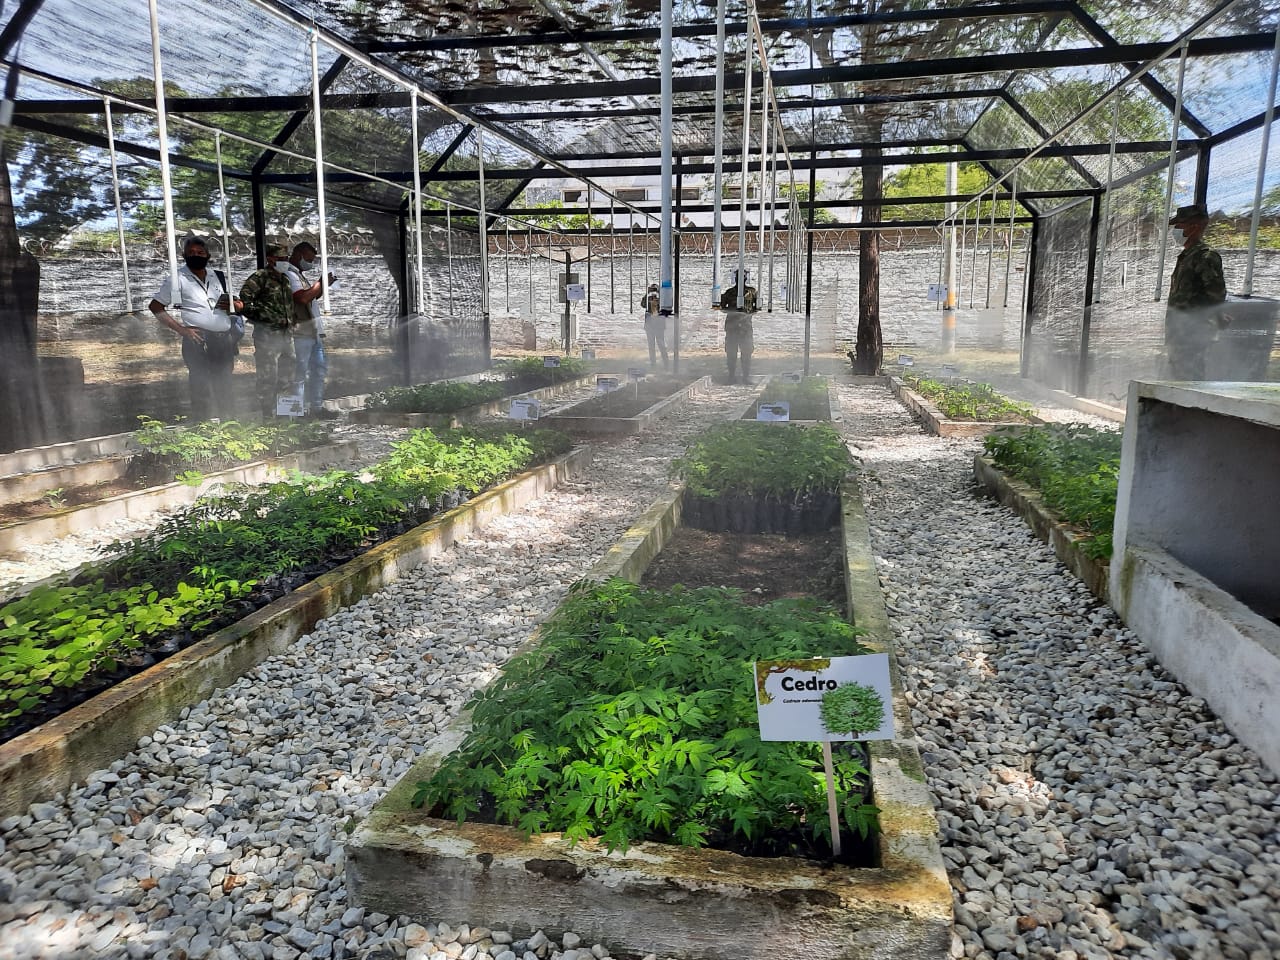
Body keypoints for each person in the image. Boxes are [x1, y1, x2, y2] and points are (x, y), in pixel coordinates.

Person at [148, 236, 242, 420]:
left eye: (200, 252)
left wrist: (237, 306)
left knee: (225, 384)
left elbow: (236, 302)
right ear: (184, 255)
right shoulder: (178, 279)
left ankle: (230, 427)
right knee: (201, 386)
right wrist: (182, 330)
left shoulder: (218, 277)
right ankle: (203, 429)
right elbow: (155, 306)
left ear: (208, 255)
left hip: (223, 338)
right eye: (191, 253)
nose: (196, 255)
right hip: (197, 340)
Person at [1165, 203, 1227, 381]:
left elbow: (1216, 294)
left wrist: (1217, 318)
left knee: (1191, 381)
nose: (1175, 230)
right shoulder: (1187, 256)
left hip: (1193, 335)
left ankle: (1190, 409)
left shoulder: (1205, 256)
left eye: (1179, 225)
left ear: (1195, 227)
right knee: (1178, 379)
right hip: (1180, 333)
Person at [278, 242, 339, 419]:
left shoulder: (299, 274)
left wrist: (323, 286)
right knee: (299, 373)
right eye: (308, 259)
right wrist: (320, 283)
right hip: (299, 333)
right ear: (298, 255)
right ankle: (296, 414)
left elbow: (311, 296)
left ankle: (316, 408)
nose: (310, 263)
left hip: (313, 332)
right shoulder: (289, 274)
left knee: (318, 371)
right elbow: (302, 298)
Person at [239, 243, 296, 418]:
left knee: (288, 374)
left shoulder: (284, 279)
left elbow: (288, 305)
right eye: (280, 259)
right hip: (267, 335)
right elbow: (243, 303)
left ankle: (287, 415)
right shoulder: (259, 278)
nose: (284, 262)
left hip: (286, 334)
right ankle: (268, 416)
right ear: (270, 259)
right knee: (268, 375)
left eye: (286, 259)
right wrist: (265, 317)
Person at [718, 268, 758, 383]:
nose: (740, 280)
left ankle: (746, 377)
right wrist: (733, 311)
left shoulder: (752, 292)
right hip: (732, 328)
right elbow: (722, 307)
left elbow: (757, 307)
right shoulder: (729, 293)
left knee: (746, 353)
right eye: (738, 277)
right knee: (731, 353)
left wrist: (746, 314)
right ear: (735, 279)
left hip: (746, 328)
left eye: (743, 277)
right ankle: (731, 376)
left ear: (746, 278)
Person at [639, 282, 668, 370]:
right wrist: (647, 293)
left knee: (661, 345)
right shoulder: (648, 298)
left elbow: (665, 306)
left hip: (658, 325)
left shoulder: (661, 299)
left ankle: (666, 363)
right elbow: (643, 304)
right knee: (651, 346)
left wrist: (660, 293)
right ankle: (653, 364)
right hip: (650, 326)